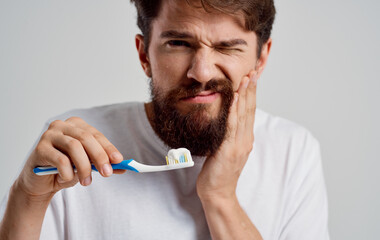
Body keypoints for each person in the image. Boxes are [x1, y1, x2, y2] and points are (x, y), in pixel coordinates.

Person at [0, 0, 329, 239]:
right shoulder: (73, 148)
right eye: (179, 43)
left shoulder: (293, 151)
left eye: (228, 48)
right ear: (144, 55)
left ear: (261, 59)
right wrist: (28, 197)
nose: (201, 72)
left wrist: (220, 196)